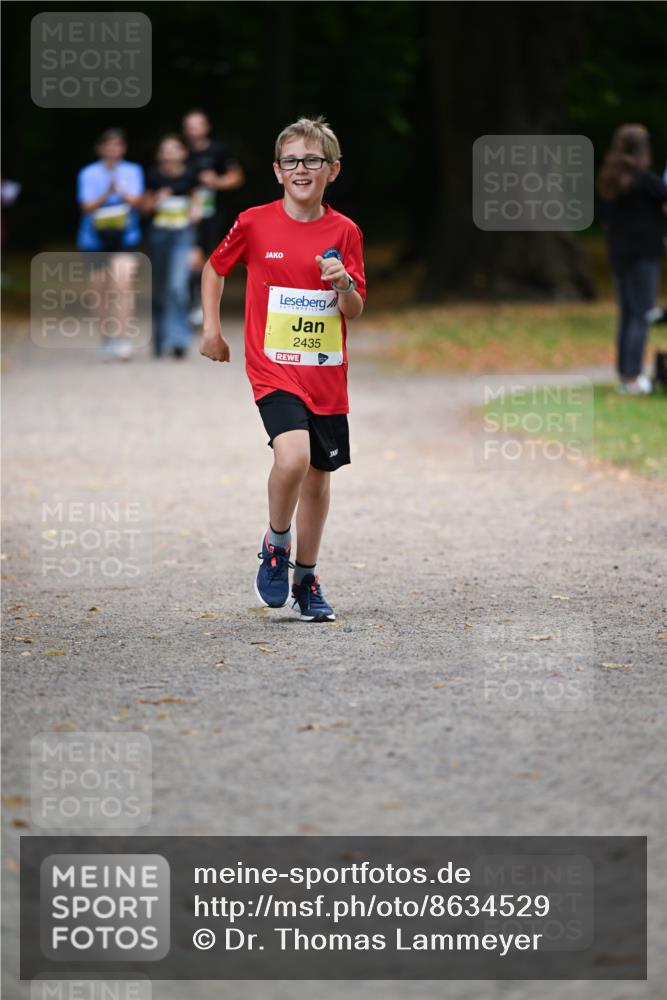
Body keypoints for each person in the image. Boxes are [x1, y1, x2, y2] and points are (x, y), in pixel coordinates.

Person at [200, 117, 366, 622]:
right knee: (292, 459)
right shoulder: (254, 222)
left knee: (318, 477)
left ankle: (306, 579)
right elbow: (214, 268)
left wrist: (342, 285)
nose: (301, 169)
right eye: (291, 160)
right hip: (273, 368)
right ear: (277, 170)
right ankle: (276, 543)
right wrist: (212, 329)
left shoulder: (345, 232)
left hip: (325, 373)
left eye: (312, 160)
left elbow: (354, 310)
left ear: (332, 170)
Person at [597, 123, 667, 394]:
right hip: (644, 254)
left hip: (618, 254)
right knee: (641, 314)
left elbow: (604, 218)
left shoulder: (610, 179)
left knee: (627, 314)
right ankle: (634, 376)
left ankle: (624, 374)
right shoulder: (644, 179)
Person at [76, 129, 144, 360]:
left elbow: (139, 202)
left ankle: (123, 338)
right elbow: (85, 207)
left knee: (123, 284)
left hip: (126, 237)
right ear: (100, 148)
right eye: (108, 145)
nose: (112, 150)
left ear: (123, 148)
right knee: (100, 290)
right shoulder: (88, 173)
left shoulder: (133, 171)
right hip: (94, 239)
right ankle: (107, 337)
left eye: (117, 145)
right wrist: (106, 193)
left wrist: (122, 193)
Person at [182, 109, 245, 325]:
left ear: (206, 127)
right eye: (189, 125)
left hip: (216, 214)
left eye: (197, 125)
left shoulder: (219, 151)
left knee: (212, 260)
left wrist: (216, 182)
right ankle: (195, 305)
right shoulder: (180, 153)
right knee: (193, 259)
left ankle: (204, 305)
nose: (193, 130)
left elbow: (236, 178)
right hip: (187, 216)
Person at [144, 135, 202, 358]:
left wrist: (195, 212)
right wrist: (156, 199)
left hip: (182, 237)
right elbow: (144, 208)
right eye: (165, 150)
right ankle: (159, 340)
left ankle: (179, 340)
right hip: (158, 237)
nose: (169, 154)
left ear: (182, 153)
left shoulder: (190, 176)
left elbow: (198, 205)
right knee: (159, 288)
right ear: (160, 155)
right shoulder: (153, 176)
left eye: (173, 149)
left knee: (177, 286)